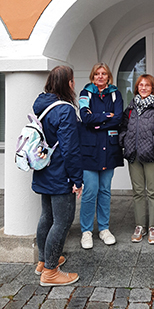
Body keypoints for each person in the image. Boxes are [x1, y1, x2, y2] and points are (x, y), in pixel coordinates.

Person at [32, 65, 83, 286]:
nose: (73, 84)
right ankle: (51, 272)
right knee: (62, 221)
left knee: (47, 217)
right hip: (61, 172)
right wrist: (77, 179)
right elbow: (70, 149)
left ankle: (44, 261)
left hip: (44, 169)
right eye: (72, 81)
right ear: (66, 83)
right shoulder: (65, 110)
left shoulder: (41, 103)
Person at [119, 74, 154, 244]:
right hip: (133, 156)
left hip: (152, 156)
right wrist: (124, 141)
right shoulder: (131, 107)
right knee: (137, 193)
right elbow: (122, 127)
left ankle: (153, 227)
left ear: (153, 88)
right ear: (137, 87)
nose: (143, 88)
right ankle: (140, 226)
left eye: (147, 85)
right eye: (141, 85)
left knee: (153, 193)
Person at [79, 63, 123, 249]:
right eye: (97, 73)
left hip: (109, 148)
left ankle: (104, 229)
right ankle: (86, 231)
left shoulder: (115, 93)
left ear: (108, 76)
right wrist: (106, 116)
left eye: (103, 73)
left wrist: (97, 123)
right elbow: (85, 118)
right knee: (90, 191)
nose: (100, 76)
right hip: (90, 149)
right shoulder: (85, 93)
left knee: (105, 191)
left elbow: (118, 118)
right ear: (92, 76)